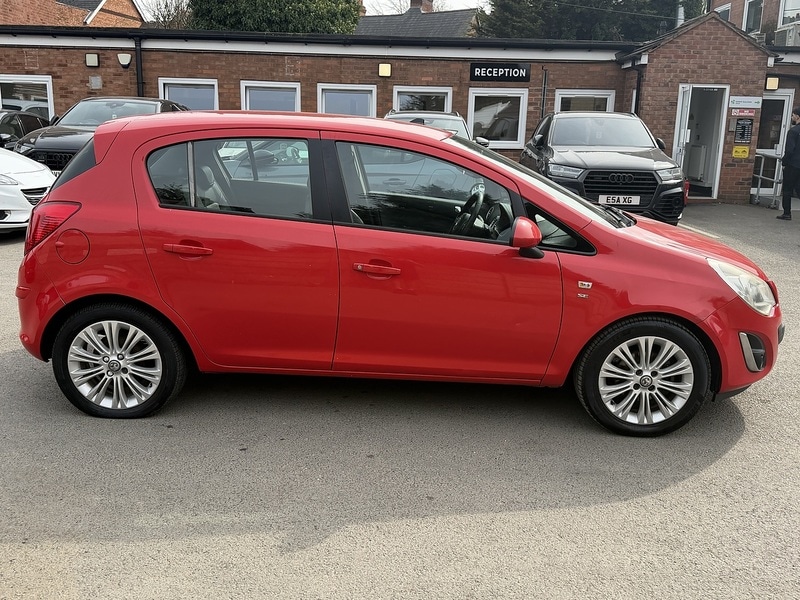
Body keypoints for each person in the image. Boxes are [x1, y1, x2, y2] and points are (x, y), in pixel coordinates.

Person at [778, 106, 800, 220]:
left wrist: (784, 162)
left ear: (797, 116)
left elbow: (790, 150)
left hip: (793, 164)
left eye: (792, 115)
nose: (792, 117)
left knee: (787, 189)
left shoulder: (793, 131)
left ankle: (787, 213)